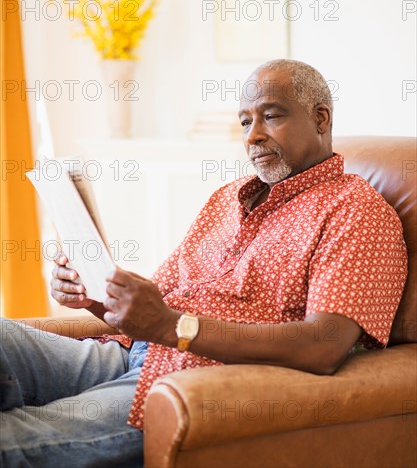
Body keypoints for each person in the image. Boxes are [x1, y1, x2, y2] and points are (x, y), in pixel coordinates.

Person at [0, 60, 408, 467]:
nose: (254, 137)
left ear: (320, 119)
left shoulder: (356, 211)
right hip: (128, 357)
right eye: (246, 123)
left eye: (271, 116)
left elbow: (325, 345)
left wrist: (173, 327)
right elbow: (157, 307)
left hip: (191, 384)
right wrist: (93, 296)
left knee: (13, 438)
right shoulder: (226, 199)